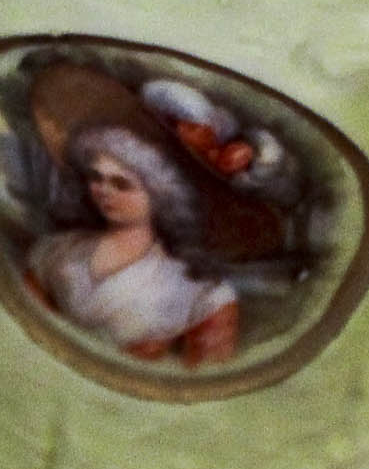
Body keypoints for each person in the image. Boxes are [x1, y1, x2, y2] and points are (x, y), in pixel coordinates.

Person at [24, 122, 241, 364]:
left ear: (159, 196)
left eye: (121, 184)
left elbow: (201, 379)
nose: (103, 191)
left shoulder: (199, 289)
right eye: (97, 178)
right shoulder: (56, 249)